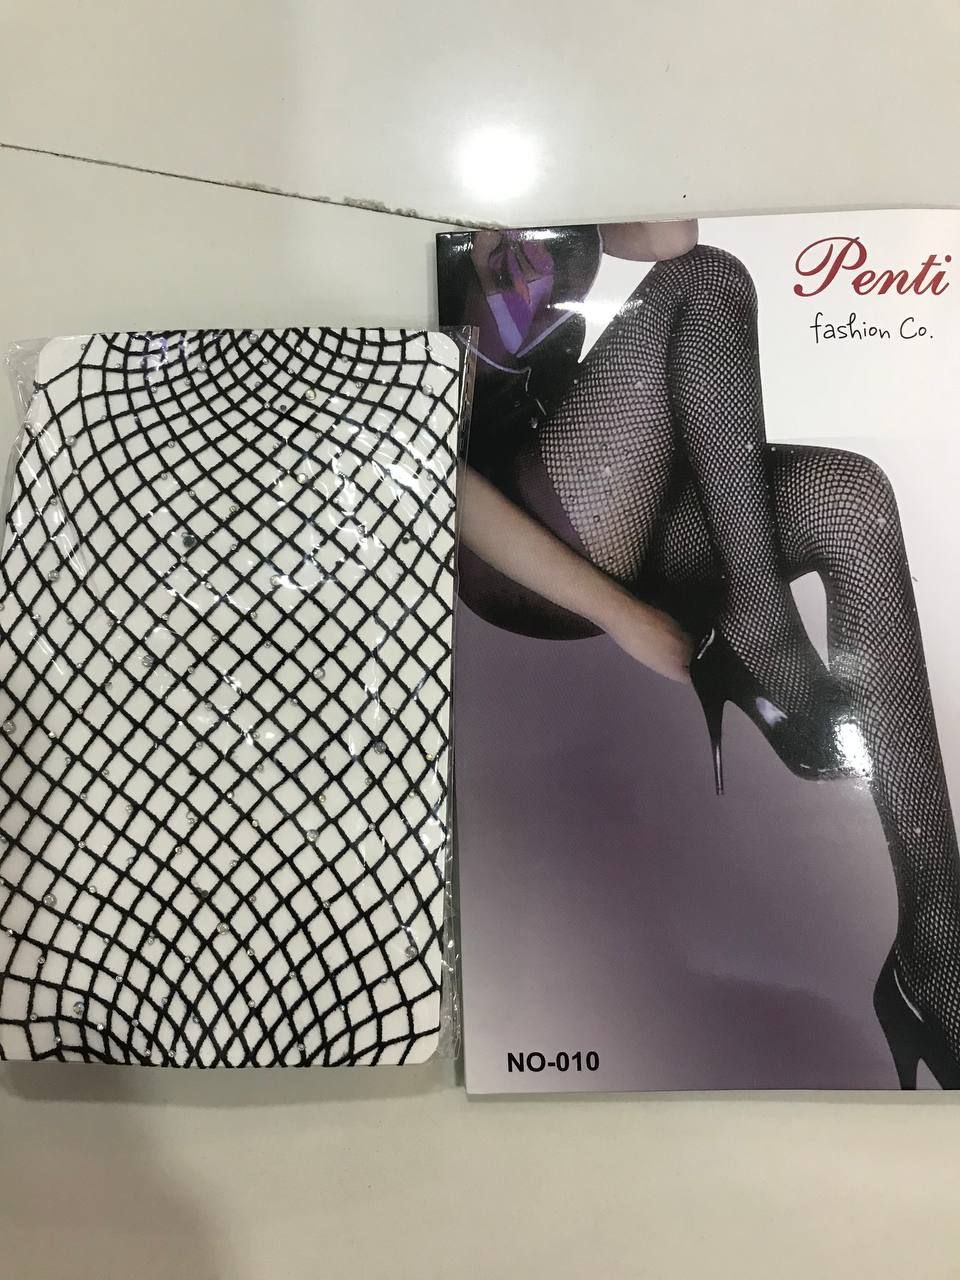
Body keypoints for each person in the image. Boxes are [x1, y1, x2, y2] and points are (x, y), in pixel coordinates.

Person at [442, 219, 960, 1088]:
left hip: (608, 485)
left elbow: (667, 232)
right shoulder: (424, 220)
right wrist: (624, 617)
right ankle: (760, 629)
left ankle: (936, 954)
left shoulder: (538, 185)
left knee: (852, 504)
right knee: (707, 280)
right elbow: (435, 477)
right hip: (515, 539)